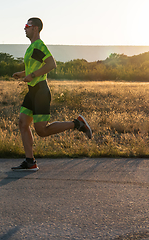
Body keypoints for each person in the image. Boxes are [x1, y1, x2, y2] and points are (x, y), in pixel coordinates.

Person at [11, 17, 92, 171]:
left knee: (41, 130)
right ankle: (30, 161)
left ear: (35, 28)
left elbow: (51, 64)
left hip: (40, 91)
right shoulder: (32, 47)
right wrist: (23, 74)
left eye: (27, 26)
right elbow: (37, 66)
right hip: (32, 91)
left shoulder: (39, 45)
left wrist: (33, 76)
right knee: (23, 123)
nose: (24, 28)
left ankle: (78, 124)